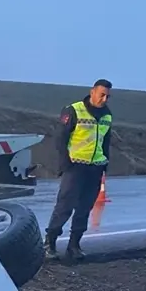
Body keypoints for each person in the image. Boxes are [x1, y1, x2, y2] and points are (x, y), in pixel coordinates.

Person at [45, 79, 113, 261]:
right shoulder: (74, 110)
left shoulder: (107, 115)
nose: (104, 99)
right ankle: (49, 243)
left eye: (107, 96)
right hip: (75, 167)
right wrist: (65, 163)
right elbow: (60, 139)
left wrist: (105, 163)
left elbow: (106, 142)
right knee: (65, 206)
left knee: (84, 209)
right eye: (102, 95)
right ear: (92, 92)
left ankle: (74, 245)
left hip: (95, 168)